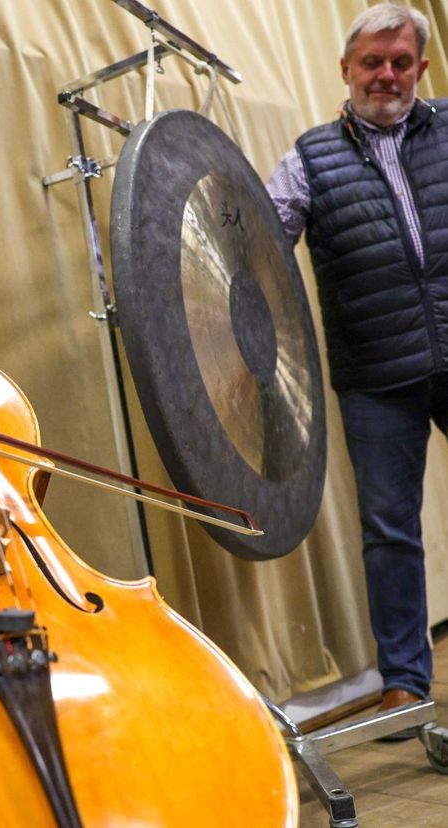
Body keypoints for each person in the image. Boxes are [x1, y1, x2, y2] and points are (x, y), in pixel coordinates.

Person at [266, 3, 447, 716]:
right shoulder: (308, 157)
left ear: (421, 68)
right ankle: (405, 679)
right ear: (346, 69)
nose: (387, 75)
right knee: (389, 530)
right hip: (375, 373)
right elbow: (260, 240)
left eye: (401, 62)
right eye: (372, 62)